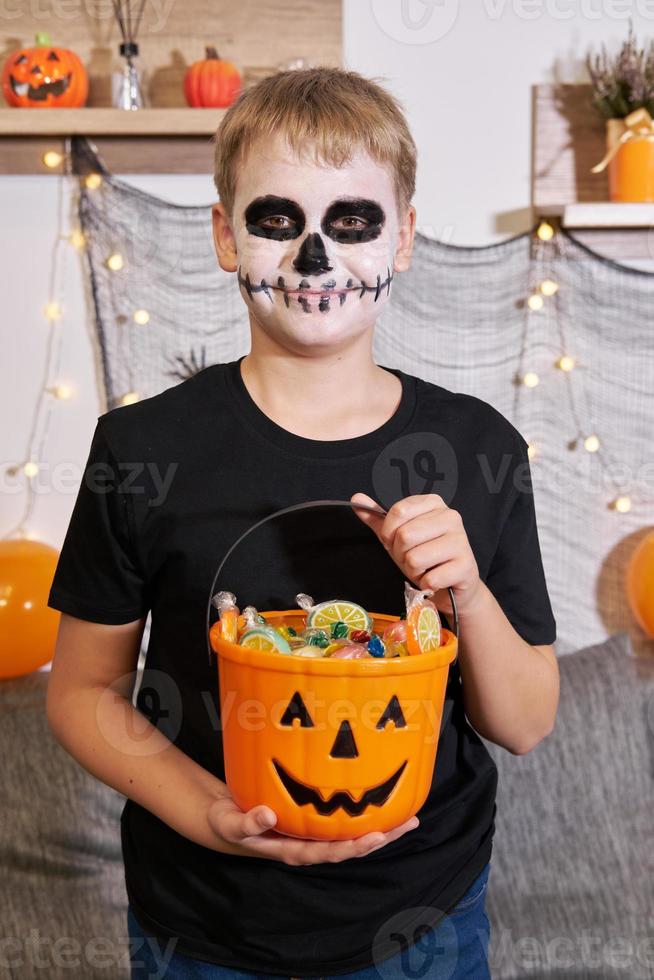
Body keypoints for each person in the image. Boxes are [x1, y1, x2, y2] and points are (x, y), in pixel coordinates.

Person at [46, 67, 559, 979]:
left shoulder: (477, 445)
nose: (315, 260)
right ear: (222, 235)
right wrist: (208, 811)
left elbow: (521, 723)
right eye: (277, 220)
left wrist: (467, 593)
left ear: (402, 238)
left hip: (423, 919)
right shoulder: (141, 446)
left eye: (352, 221)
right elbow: (82, 693)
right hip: (203, 925)